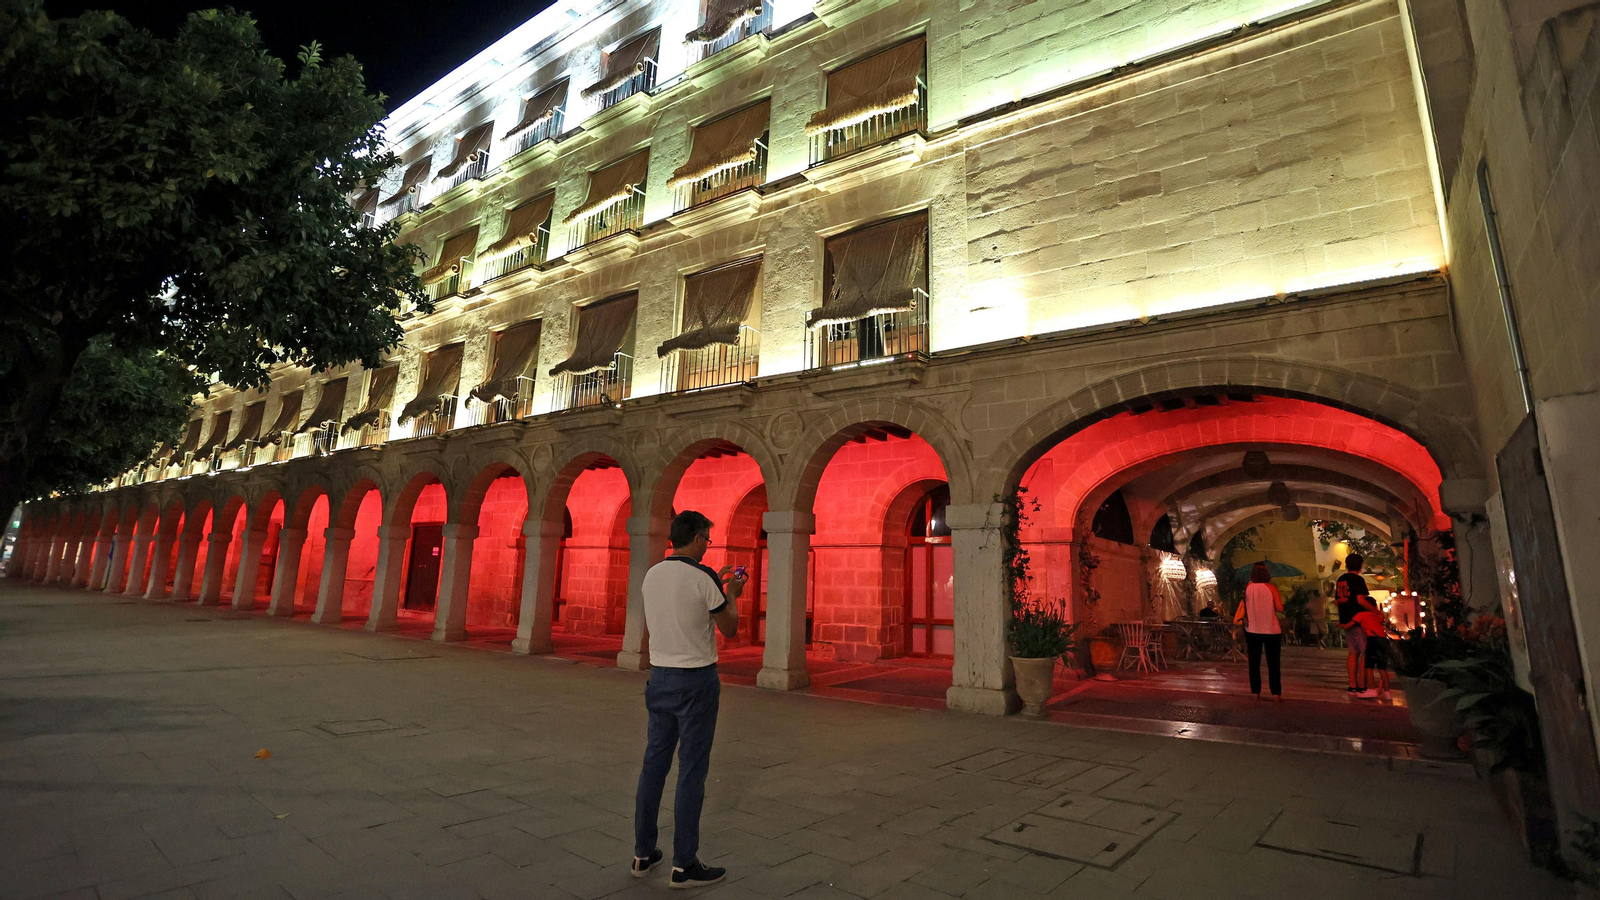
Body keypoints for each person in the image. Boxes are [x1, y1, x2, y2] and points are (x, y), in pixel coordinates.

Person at [632, 511, 745, 889]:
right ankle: (684, 864)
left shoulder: (652, 574)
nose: (707, 546)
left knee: (654, 766)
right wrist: (732, 594)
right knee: (692, 770)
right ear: (697, 539)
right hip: (695, 680)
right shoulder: (704, 576)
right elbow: (729, 627)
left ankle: (643, 853)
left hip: (659, 677)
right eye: (707, 540)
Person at [1234, 562, 1285, 700]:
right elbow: (1280, 608)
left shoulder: (1248, 588)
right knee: (1273, 663)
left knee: (1254, 662)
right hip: (1271, 629)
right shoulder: (1272, 588)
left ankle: (1255, 692)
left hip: (1252, 629)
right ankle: (1275, 693)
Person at [1333, 553, 1378, 695]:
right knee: (1365, 652)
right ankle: (1361, 684)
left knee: (1353, 652)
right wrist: (1376, 611)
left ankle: (1352, 685)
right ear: (1360, 565)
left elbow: (1337, 600)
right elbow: (1361, 600)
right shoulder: (1358, 580)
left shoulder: (1341, 579)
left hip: (1345, 618)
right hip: (1358, 619)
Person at [1352, 599, 1391, 700]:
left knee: (1369, 665)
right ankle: (1387, 692)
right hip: (1383, 640)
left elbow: (1350, 624)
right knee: (1382, 667)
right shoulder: (1378, 615)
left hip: (1372, 639)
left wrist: (1340, 625)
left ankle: (1371, 689)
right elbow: (1380, 621)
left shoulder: (1361, 614)